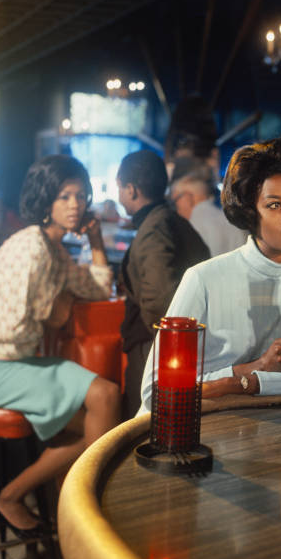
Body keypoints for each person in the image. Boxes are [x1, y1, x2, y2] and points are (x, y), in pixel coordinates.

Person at [0, 155, 121, 536]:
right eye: (64, 196)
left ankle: (56, 509)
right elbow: (28, 320)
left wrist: (95, 240)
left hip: (14, 362)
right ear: (45, 200)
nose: (75, 205)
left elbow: (97, 290)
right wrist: (56, 307)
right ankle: (76, 514)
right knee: (107, 397)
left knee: (98, 421)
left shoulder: (54, 251)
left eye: (80, 196)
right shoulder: (31, 246)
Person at [138, 138, 281, 413]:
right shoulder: (203, 279)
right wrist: (254, 370)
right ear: (249, 213)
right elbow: (157, 390)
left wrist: (254, 383)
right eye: (275, 205)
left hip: (255, 431)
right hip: (183, 429)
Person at [116, 150, 210, 419]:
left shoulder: (154, 229)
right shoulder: (171, 220)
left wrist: (161, 354)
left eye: (120, 187)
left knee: (146, 428)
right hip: (179, 349)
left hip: (157, 352)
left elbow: (160, 301)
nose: (120, 195)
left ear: (132, 190)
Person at [170, 165, 247, 256]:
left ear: (187, 197)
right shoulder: (234, 219)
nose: (175, 208)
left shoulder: (192, 226)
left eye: (175, 201)